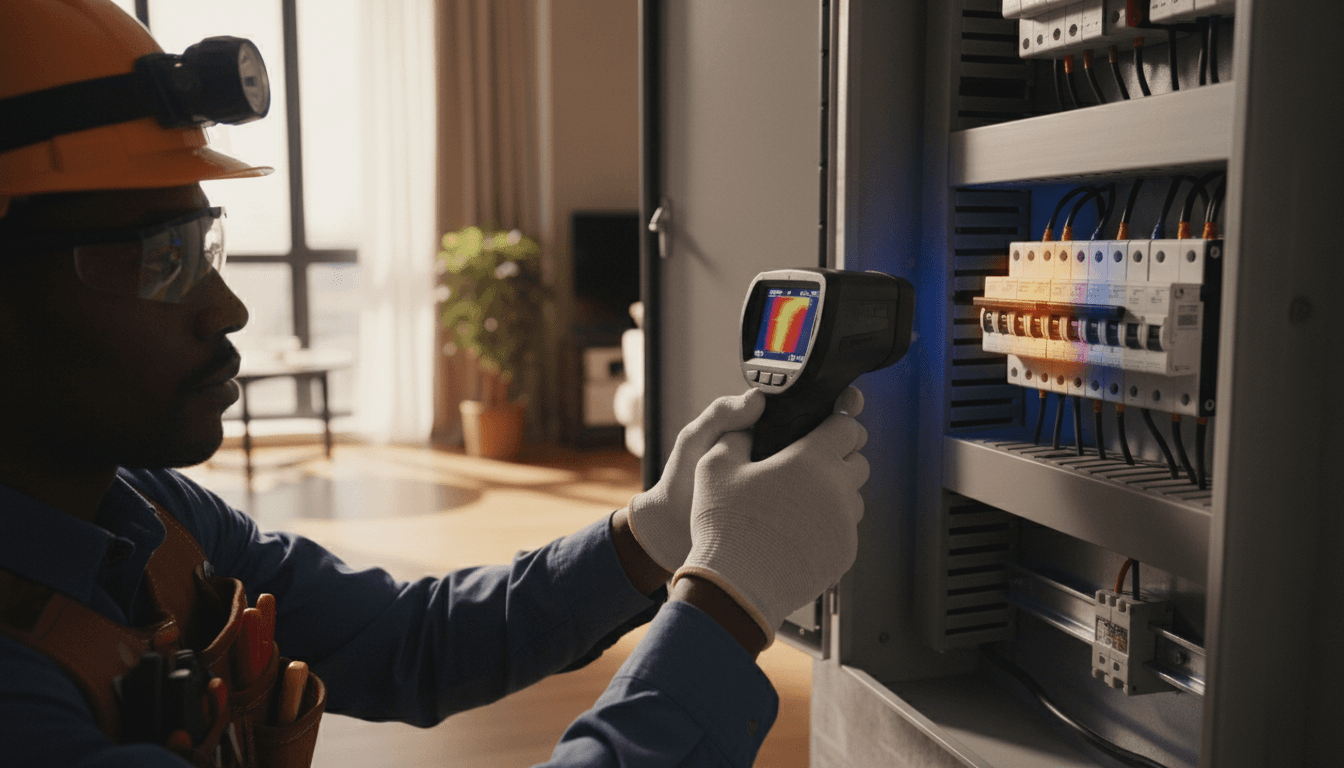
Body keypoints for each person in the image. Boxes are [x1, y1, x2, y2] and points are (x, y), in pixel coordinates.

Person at [0, 2, 871, 766]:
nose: (226, 308)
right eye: (160, 260)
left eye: (205, 247)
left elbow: (406, 641)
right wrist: (725, 610)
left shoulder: (151, 521)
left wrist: (652, 531)